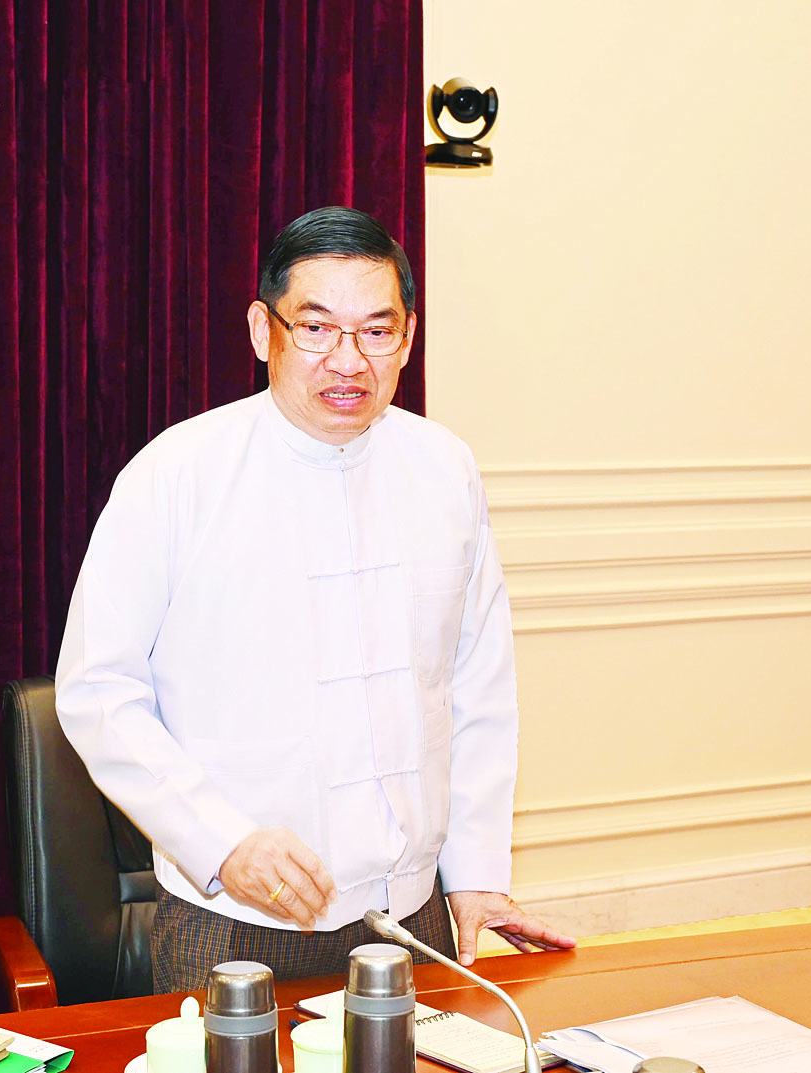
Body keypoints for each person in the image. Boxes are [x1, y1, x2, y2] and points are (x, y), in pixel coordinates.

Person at [55, 206, 575, 992]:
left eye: (375, 330)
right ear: (262, 331)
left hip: (413, 915)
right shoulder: (177, 474)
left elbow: (476, 684)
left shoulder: (444, 467)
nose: (348, 360)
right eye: (316, 327)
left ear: (407, 337)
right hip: (235, 915)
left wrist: (473, 872)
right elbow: (98, 689)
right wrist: (221, 840)